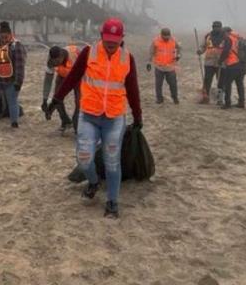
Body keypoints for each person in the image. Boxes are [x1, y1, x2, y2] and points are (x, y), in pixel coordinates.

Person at [50, 18, 143, 219]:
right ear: (101, 36)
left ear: (122, 39)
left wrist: (137, 115)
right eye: (107, 39)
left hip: (114, 118)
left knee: (111, 161)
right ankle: (93, 182)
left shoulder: (128, 58)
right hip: (89, 116)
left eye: (115, 40)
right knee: (84, 159)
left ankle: (112, 202)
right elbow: (73, 76)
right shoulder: (88, 53)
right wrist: (57, 98)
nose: (111, 44)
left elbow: (133, 89)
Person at [42, 44, 81, 133]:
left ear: (62, 56)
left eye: (57, 62)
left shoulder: (74, 56)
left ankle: (77, 122)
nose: (55, 64)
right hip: (62, 75)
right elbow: (48, 81)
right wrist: (45, 99)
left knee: (79, 102)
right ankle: (65, 121)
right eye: (53, 63)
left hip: (78, 77)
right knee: (57, 98)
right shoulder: (51, 60)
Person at [146, 28, 180, 104]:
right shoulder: (155, 41)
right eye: (165, 37)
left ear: (170, 35)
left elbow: (179, 48)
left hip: (170, 67)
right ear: (161, 35)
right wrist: (149, 62)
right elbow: (151, 52)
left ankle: (175, 98)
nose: (166, 39)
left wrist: (178, 55)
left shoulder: (173, 40)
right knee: (158, 84)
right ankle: (159, 99)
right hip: (159, 67)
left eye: (168, 37)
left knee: (173, 84)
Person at [196, 21, 225, 104]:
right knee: (207, 80)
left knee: (220, 81)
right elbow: (203, 46)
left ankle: (219, 100)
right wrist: (200, 51)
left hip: (221, 63)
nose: (216, 28)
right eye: (215, 27)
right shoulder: (208, 36)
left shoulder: (225, 37)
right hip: (209, 62)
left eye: (218, 27)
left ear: (221, 27)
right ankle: (205, 98)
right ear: (212, 27)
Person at [217, 26, 245, 109]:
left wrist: (220, 60)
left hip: (232, 64)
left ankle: (227, 103)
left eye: (223, 33)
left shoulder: (229, 39)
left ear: (226, 32)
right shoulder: (237, 38)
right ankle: (241, 102)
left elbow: (226, 50)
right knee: (240, 84)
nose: (222, 35)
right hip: (241, 64)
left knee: (227, 84)